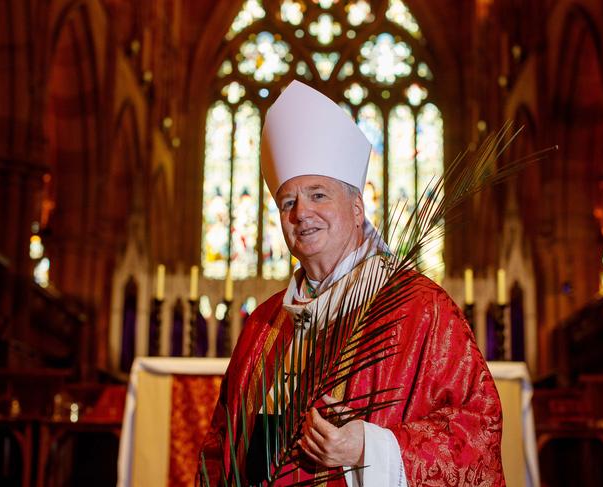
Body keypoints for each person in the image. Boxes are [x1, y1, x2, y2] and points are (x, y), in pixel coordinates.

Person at [198, 81, 505, 486]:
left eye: (318, 195)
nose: (301, 213)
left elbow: (478, 432)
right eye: (287, 202)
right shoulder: (262, 326)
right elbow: (220, 446)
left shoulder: (421, 309)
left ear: (357, 209)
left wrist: (369, 448)